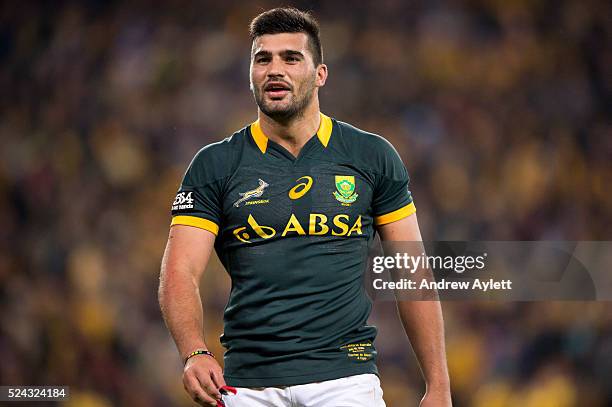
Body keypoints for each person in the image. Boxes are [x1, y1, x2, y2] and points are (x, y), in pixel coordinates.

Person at [159, 7, 451, 407]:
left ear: (320, 75)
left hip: (346, 380)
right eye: (263, 59)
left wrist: (438, 386)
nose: (274, 69)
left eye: (290, 58)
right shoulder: (215, 165)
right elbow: (179, 271)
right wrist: (194, 351)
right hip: (247, 384)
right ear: (251, 74)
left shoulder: (370, 156)